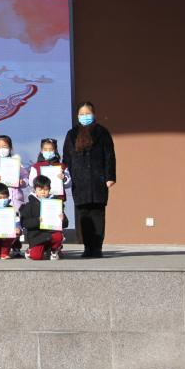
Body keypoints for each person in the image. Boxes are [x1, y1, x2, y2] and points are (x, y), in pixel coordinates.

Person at [63, 101, 116, 258]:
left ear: (94, 114)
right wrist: (65, 175)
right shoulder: (72, 134)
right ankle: (87, 247)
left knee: (98, 214)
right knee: (84, 215)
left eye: (87, 113)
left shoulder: (102, 132)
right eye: (82, 114)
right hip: (79, 181)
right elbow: (67, 157)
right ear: (77, 116)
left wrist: (110, 177)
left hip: (98, 179)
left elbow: (109, 156)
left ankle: (97, 248)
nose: (85, 116)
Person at [19, 175, 69, 260]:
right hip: (37, 236)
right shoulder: (29, 205)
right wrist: (37, 221)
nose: (43, 192)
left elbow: (66, 224)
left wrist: (62, 219)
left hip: (51, 233)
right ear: (35, 190)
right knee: (36, 256)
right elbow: (24, 223)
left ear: (49, 189)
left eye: (45, 189)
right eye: (40, 189)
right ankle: (30, 251)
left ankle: (54, 250)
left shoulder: (56, 203)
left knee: (58, 236)